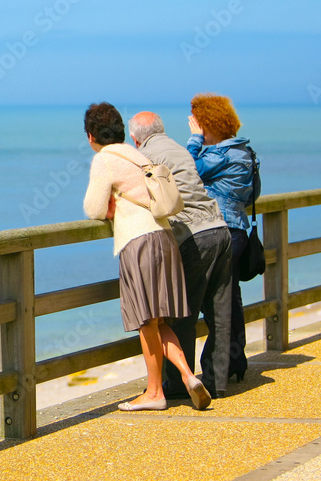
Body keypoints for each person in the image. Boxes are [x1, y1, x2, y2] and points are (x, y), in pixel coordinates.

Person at [82, 102, 210, 411]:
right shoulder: (136, 154)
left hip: (138, 242)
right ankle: (189, 376)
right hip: (165, 237)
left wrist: (111, 204)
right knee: (158, 320)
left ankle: (155, 393)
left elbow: (94, 209)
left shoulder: (105, 159)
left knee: (145, 322)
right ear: (123, 131)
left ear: (90, 136)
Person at [128, 111, 233, 398]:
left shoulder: (144, 156)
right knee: (219, 311)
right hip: (219, 228)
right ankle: (217, 380)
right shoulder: (178, 148)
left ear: (135, 138)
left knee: (180, 313)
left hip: (193, 235)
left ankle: (177, 385)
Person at [186, 94, 260, 383]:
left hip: (221, 232)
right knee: (232, 299)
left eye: (198, 124)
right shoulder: (245, 152)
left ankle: (218, 368)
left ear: (208, 123)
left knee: (213, 301)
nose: (196, 129)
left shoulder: (221, 154)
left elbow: (188, 172)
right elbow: (254, 195)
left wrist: (194, 140)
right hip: (238, 230)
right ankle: (235, 360)